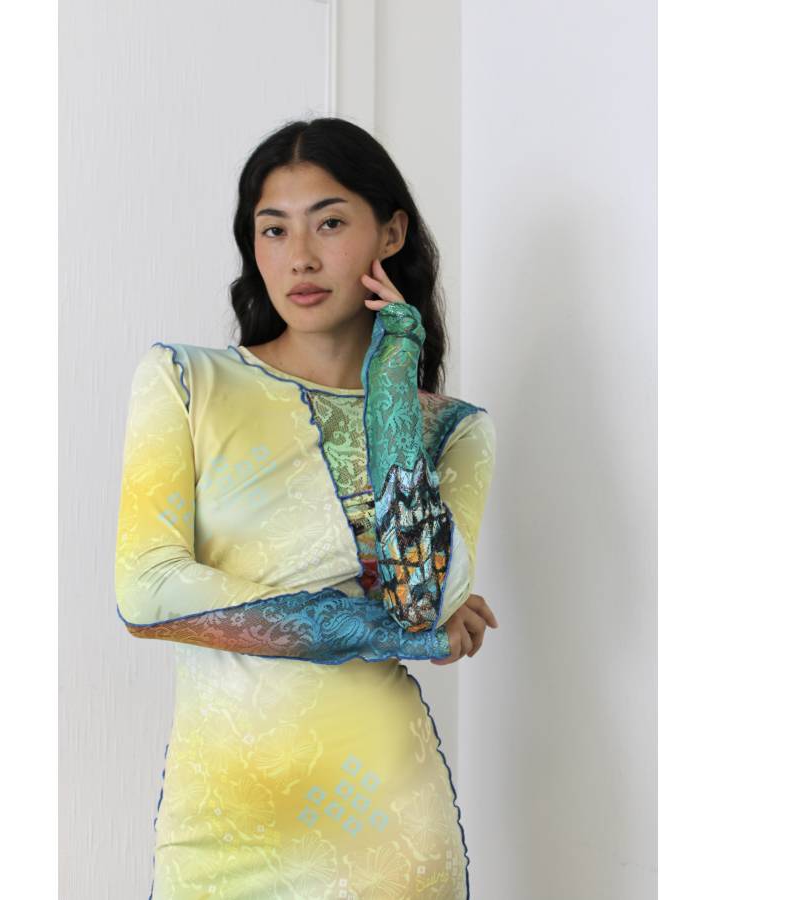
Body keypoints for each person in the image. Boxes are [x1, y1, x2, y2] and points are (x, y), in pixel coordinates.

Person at [115, 117, 498, 899]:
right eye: (274, 229)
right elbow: (147, 591)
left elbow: (422, 598)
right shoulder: (185, 382)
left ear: (390, 233)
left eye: (329, 223)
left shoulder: (453, 431)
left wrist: (392, 391)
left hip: (389, 835)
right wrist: (389, 631)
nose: (300, 257)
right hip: (219, 831)